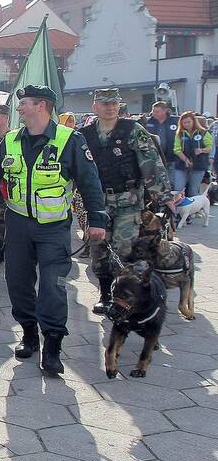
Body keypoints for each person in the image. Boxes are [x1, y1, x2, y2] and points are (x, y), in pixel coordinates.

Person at [0, 85, 108, 375]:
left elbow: (90, 182)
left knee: (53, 286)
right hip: (18, 225)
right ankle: (28, 333)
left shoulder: (69, 140)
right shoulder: (10, 140)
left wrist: (97, 221)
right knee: (18, 282)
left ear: (41, 106)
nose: (19, 108)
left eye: (23, 103)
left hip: (53, 228)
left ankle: (52, 346)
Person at [81, 88, 175, 314]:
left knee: (122, 251)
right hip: (97, 204)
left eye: (114, 103)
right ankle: (104, 295)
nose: (110, 107)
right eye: (105, 103)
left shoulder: (133, 130)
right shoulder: (84, 135)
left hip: (128, 202)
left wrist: (164, 198)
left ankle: (120, 297)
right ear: (95, 107)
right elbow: (74, 168)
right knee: (99, 251)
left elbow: (151, 164)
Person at [173, 111, 213, 198]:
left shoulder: (203, 132)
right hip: (181, 164)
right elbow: (177, 149)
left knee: (193, 190)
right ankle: (178, 210)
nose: (186, 124)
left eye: (189, 122)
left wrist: (202, 150)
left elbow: (210, 147)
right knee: (178, 189)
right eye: (184, 123)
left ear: (194, 121)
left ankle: (194, 210)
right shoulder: (179, 134)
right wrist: (186, 160)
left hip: (198, 165)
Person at [144, 99, 178, 188]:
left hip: (172, 157)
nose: (154, 113)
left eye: (157, 111)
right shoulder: (149, 122)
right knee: (158, 182)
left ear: (165, 111)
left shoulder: (175, 121)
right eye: (153, 111)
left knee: (172, 182)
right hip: (156, 157)